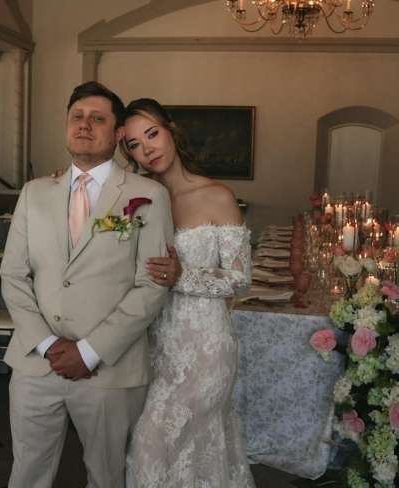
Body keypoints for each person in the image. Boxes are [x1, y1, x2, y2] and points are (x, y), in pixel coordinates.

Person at [0, 83, 174, 488]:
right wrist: (47, 344)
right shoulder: (34, 192)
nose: (84, 125)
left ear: (117, 133)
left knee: (107, 475)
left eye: (98, 118)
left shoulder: (149, 195)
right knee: (27, 473)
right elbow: (13, 275)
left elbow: (152, 285)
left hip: (109, 368)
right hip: (35, 363)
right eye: (76, 117)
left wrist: (90, 351)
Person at [121, 98, 256, 488]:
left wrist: (183, 275)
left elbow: (240, 278)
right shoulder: (138, 201)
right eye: (134, 144)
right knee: (177, 450)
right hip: (154, 346)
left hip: (206, 350)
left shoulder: (217, 196)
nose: (147, 149)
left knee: (153, 443)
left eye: (152, 134)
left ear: (172, 131)